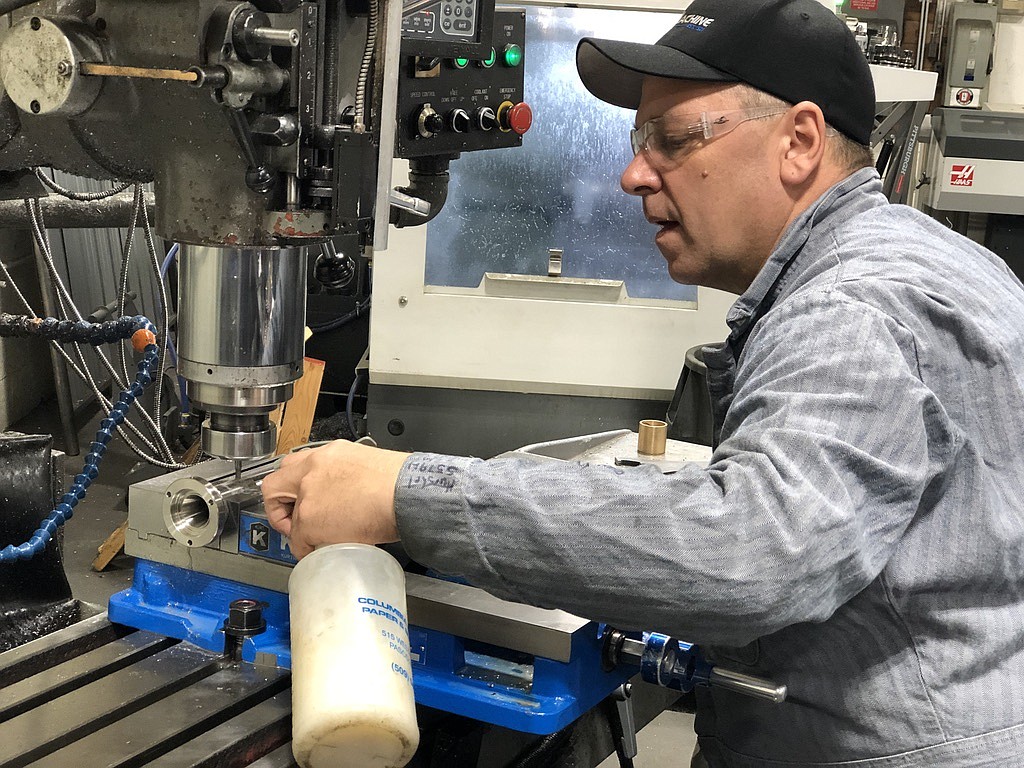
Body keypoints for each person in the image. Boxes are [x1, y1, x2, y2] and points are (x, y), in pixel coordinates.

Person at [262, 0, 1024, 764]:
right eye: (637, 141)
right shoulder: (935, 259)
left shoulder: (852, 307)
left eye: (671, 139)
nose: (632, 174)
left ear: (798, 141)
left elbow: (746, 556)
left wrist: (402, 494)